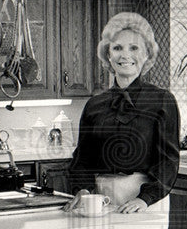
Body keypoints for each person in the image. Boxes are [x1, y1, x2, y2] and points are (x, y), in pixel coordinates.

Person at [66, 12, 179, 214]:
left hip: (146, 199)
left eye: (134, 48)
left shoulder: (162, 100)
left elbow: (168, 160)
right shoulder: (94, 104)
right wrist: (82, 189)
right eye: (117, 48)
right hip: (101, 197)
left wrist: (145, 199)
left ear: (147, 55)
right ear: (108, 55)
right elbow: (82, 158)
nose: (125, 55)